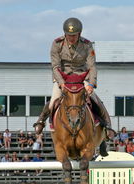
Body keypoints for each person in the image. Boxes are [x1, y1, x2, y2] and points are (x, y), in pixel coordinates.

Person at [32, 17, 115, 156]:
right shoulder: (57, 44)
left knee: (95, 100)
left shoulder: (87, 45)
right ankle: (41, 121)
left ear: (79, 34)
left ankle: (107, 128)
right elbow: (55, 66)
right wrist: (61, 83)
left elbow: (92, 66)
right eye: (69, 35)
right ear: (65, 34)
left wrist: (91, 84)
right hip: (63, 78)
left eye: (74, 35)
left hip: (81, 77)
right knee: (54, 100)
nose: (71, 38)